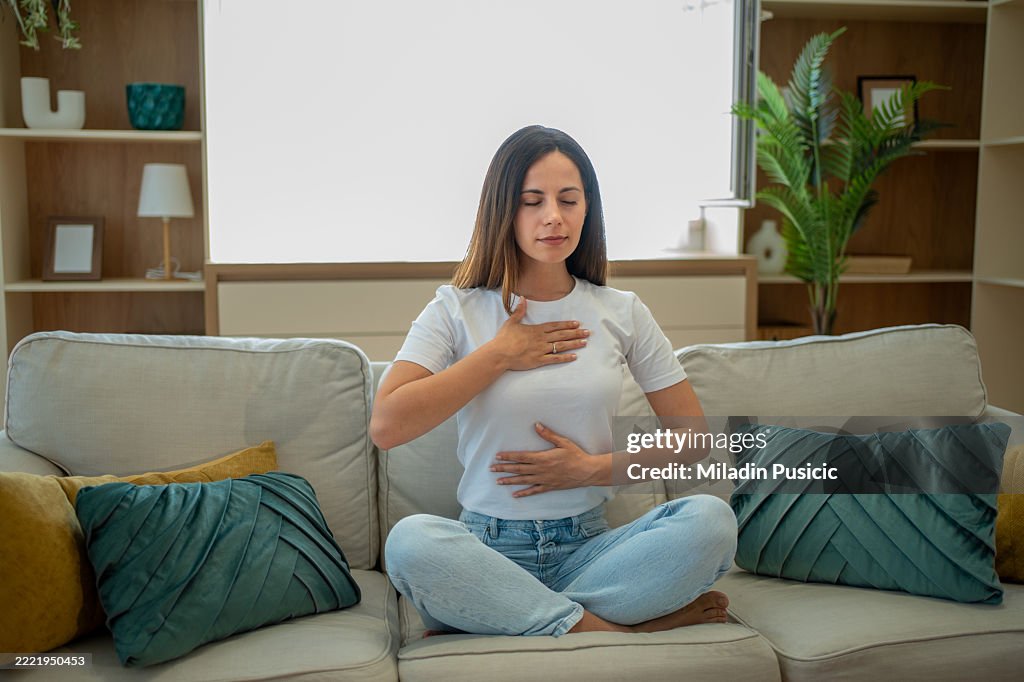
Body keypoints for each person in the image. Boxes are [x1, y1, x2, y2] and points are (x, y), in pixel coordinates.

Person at [370, 125, 737, 637]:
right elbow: (388, 425)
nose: (553, 217)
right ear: (504, 209)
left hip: (590, 550)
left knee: (711, 521)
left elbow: (693, 439)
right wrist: (498, 355)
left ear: (589, 209)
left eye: (569, 199)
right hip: (486, 549)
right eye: (532, 201)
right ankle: (610, 628)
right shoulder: (455, 310)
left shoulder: (621, 311)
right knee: (411, 542)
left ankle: (510, 614)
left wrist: (592, 470)